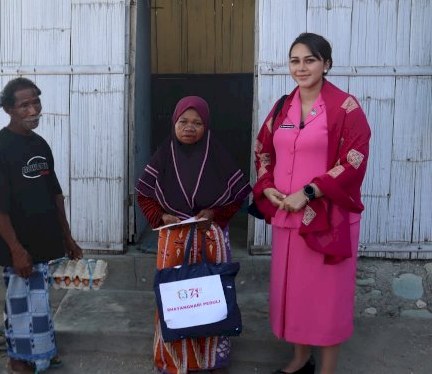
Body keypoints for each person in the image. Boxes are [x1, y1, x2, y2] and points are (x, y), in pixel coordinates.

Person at [252, 33, 371, 374]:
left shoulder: (346, 108)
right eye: (295, 60)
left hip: (327, 217)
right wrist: (268, 186)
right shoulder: (281, 107)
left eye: (310, 60)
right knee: (294, 291)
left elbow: (354, 159)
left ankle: (327, 368)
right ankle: (300, 358)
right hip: (288, 217)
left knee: (327, 297)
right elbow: (264, 150)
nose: (301, 68)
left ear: (326, 65)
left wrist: (307, 193)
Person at [136, 96, 251, 374]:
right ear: (174, 123)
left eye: (197, 123)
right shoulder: (163, 155)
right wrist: (162, 217)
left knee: (211, 297)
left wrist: (213, 213)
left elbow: (238, 196)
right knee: (176, 298)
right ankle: (173, 360)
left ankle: (212, 359)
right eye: (183, 121)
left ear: (206, 126)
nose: (190, 127)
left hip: (210, 237)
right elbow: (144, 194)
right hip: (174, 239)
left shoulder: (217, 154)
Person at [0, 77, 83, 373]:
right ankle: (19, 358)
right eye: (24, 104)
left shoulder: (40, 144)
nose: (33, 109)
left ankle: (43, 349)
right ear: (9, 109)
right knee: (18, 305)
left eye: (35, 101)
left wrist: (69, 238)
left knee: (39, 303)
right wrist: (15, 249)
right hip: (19, 246)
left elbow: (55, 195)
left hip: (45, 241)